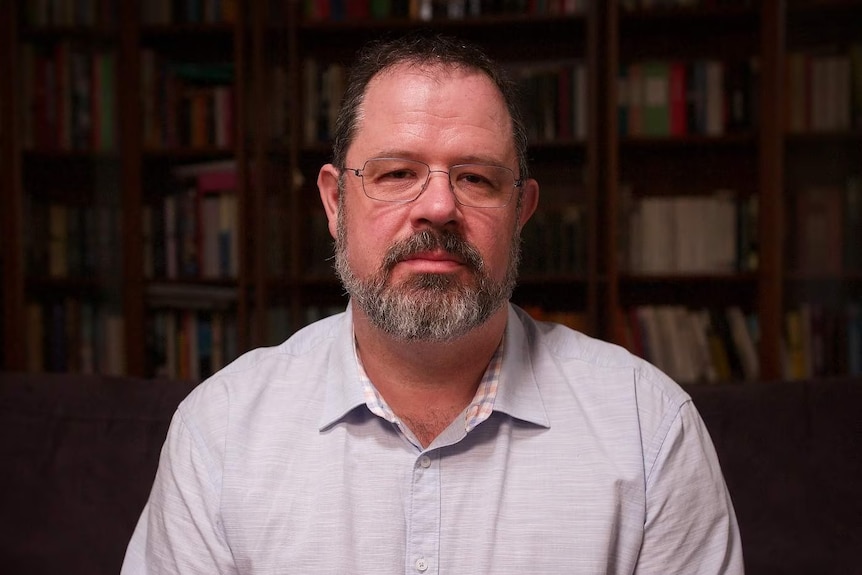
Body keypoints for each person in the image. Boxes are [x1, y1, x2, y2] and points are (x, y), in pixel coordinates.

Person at [122, 32, 744, 574]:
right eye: (396, 174)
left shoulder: (648, 428)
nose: (439, 207)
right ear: (336, 202)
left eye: (476, 178)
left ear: (521, 211)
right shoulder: (222, 430)